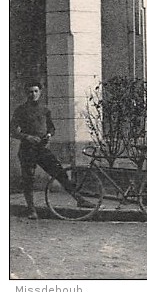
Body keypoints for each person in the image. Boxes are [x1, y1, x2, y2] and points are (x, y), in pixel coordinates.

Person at [10, 81, 89, 219]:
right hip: (27, 150)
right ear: (26, 93)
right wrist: (27, 137)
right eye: (30, 92)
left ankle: (80, 200)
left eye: (35, 91)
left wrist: (49, 134)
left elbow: (51, 128)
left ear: (40, 92)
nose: (33, 94)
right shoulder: (20, 110)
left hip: (41, 148)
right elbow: (12, 130)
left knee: (60, 172)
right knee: (28, 179)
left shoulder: (45, 109)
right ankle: (31, 210)